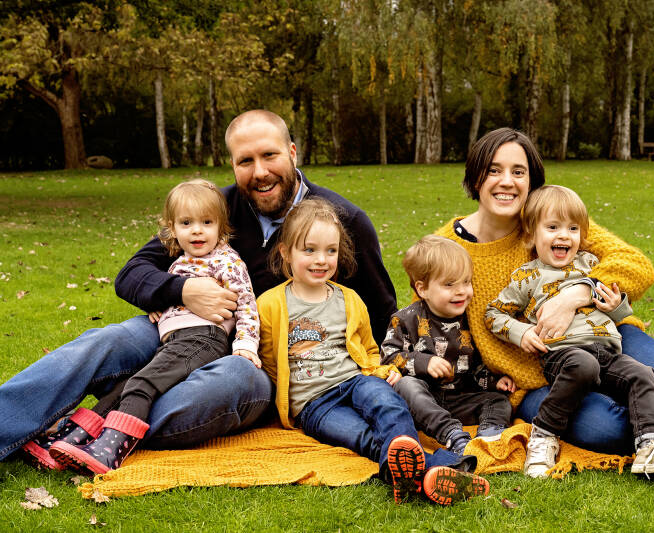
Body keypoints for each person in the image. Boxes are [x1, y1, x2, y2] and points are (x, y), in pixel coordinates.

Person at [0, 109, 397, 465]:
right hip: (179, 327)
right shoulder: (212, 211)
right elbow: (133, 271)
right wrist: (182, 291)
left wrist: (379, 372)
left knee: (225, 382)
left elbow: (381, 313)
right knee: (104, 341)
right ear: (233, 165)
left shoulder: (340, 220)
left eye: (269, 155)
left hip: (260, 360)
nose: (259, 171)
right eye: (246, 161)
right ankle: (8, 425)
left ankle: (94, 433)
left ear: (292, 152)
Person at [435, 127, 654, 456]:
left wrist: (575, 295)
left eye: (519, 171)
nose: (506, 182)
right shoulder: (446, 245)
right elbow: (436, 324)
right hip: (536, 380)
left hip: (605, 339)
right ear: (476, 176)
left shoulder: (551, 221)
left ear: (532, 180)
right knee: (607, 429)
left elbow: (634, 262)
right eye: (494, 170)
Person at [256, 198, 489, 505]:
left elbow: (368, 350)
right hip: (314, 404)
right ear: (286, 252)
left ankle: (415, 472)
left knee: (390, 408)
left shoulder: (349, 300)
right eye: (309, 250)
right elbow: (268, 359)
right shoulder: (271, 304)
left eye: (331, 250)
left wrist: (382, 373)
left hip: (357, 381)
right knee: (362, 437)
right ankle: (438, 469)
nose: (321, 259)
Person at [47, 179, 260, 475]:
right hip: (175, 340)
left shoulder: (227, 261)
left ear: (221, 227)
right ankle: (77, 437)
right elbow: (166, 290)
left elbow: (247, 303)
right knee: (123, 388)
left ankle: (110, 449)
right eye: (187, 223)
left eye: (207, 222)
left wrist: (245, 344)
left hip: (204, 339)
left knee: (141, 385)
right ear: (172, 230)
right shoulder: (178, 263)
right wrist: (159, 306)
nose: (197, 230)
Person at [486, 185, 654, 478]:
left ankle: (651, 446)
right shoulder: (528, 276)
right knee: (582, 366)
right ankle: (544, 436)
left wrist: (617, 305)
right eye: (553, 227)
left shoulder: (590, 265)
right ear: (531, 235)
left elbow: (619, 312)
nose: (564, 235)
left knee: (642, 374)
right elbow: (494, 313)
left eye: (573, 228)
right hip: (562, 354)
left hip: (606, 350)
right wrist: (521, 333)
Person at [381, 235, 516, 457]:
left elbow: (475, 365)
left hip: (459, 398)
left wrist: (493, 380)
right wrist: (424, 362)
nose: (462, 291)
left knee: (499, 401)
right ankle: (453, 435)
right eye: (449, 284)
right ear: (422, 289)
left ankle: (489, 436)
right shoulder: (406, 319)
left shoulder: (471, 320)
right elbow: (388, 356)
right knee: (406, 386)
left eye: (466, 282)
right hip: (424, 400)